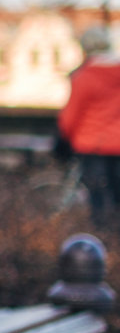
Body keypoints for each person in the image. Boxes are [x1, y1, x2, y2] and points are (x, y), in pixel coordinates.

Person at [59, 25, 120, 225]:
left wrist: (64, 139)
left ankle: (102, 243)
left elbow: (70, 117)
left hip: (93, 145)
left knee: (98, 199)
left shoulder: (84, 77)